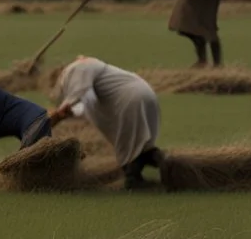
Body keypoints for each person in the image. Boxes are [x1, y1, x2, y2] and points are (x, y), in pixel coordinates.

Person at [48, 56, 164, 189]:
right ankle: (164, 162)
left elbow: (74, 98)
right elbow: (80, 106)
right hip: (146, 94)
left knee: (128, 144)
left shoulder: (75, 69)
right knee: (141, 144)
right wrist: (65, 113)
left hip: (130, 98)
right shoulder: (94, 69)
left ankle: (133, 179)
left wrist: (52, 120)